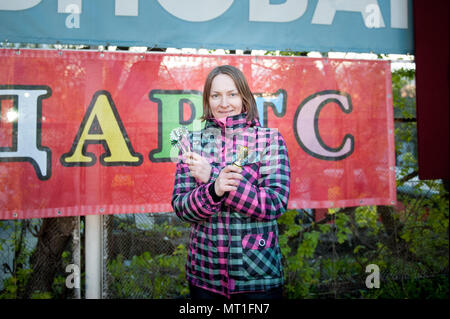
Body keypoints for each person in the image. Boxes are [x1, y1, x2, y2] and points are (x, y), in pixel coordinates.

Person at [171, 65, 291, 300]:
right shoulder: (192, 142)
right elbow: (181, 207)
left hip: (257, 276)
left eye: (232, 94)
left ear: (245, 98)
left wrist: (214, 176)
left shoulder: (269, 140)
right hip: (206, 276)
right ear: (208, 100)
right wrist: (213, 191)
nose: (224, 103)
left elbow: (275, 204)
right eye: (216, 95)